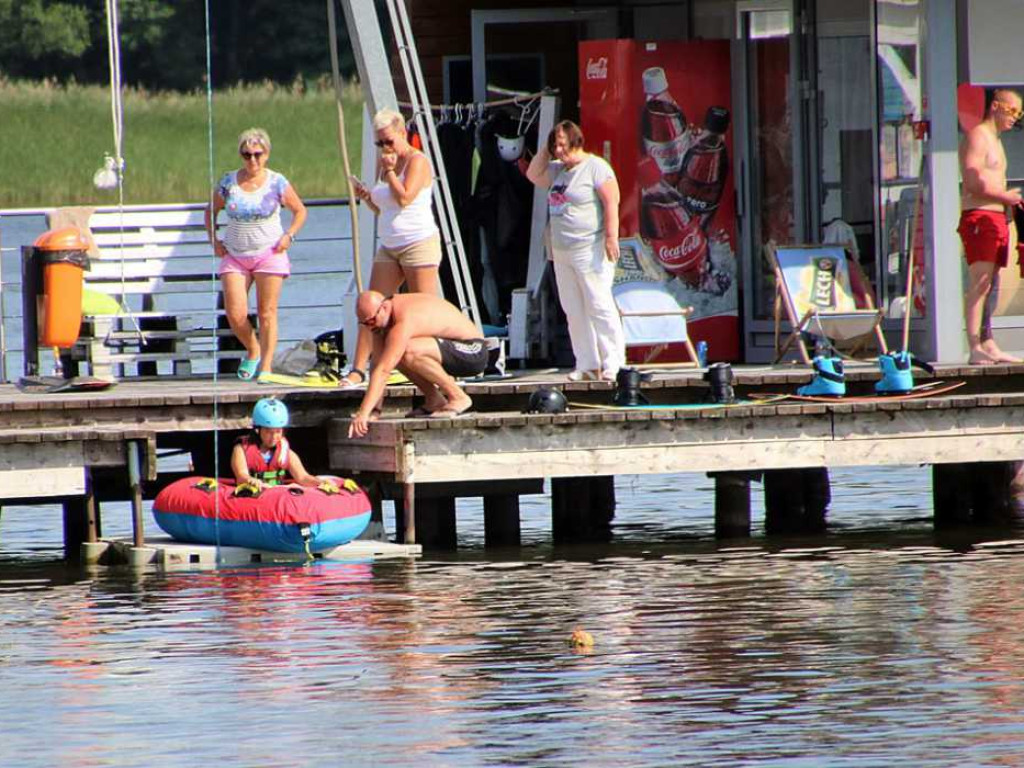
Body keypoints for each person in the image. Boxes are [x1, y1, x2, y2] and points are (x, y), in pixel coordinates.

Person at [343, 109, 443, 388]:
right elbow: (382, 206)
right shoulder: (383, 163)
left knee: (425, 313)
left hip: (418, 244)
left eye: (388, 141)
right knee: (369, 307)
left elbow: (405, 198)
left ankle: (433, 373)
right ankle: (358, 369)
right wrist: (366, 195)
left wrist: (389, 171)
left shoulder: (416, 161)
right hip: (390, 245)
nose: (385, 148)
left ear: (402, 134)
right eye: (379, 143)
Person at [526, 119, 626, 381]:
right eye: (555, 145)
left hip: (589, 247)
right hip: (561, 251)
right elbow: (533, 174)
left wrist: (611, 237)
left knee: (598, 303)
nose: (559, 150)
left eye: (561, 144)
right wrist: (546, 151)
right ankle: (587, 362)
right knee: (573, 307)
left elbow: (611, 201)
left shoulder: (595, 167)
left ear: (575, 141)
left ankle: (613, 361)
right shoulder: (558, 170)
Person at [206, 128, 307, 381]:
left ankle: (267, 366)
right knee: (235, 312)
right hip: (236, 254)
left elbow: (300, 211)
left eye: (257, 155)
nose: (252, 160)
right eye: (247, 155)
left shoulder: (276, 182)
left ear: (266, 155)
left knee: (267, 312)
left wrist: (289, 236)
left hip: (269, 252)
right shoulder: (229, 182)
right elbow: (210, 211)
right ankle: (253, 348)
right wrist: (214, 240)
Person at [347, 291, 487, 438]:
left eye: (371, 321)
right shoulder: (381, 323)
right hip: (447, 349)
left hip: (474, 351)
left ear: (384, 307)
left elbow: (383, 372)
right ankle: (434, 400)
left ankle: (458, 396)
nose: (370, 327)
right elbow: (378, 365)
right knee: (394, 353)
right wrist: (374, 411)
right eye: (364, 324)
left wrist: (362, 414)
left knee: (407, 350)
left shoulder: (404, 319)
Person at [958, 88, 1024, 364]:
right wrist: (1004, 196)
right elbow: (973, 182)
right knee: (980, 282)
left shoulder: (995, 140)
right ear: (996, 106)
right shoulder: (978, 136)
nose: (1015, 118)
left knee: (993, 282)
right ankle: (974, 346)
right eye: (1011, 111)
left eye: (1019, 113)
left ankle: (988, 340)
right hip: (980, 216)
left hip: (996, 216)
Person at [231, 398, 323, 489]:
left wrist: (319, 482)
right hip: (253, 494)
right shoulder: (241, 449)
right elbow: (241, 476)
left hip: (277, 496)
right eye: (268, 432)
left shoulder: (286, 452)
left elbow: (302, 477)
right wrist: (249, 480)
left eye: (278, 431)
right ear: (258, 430)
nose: (274, 437)